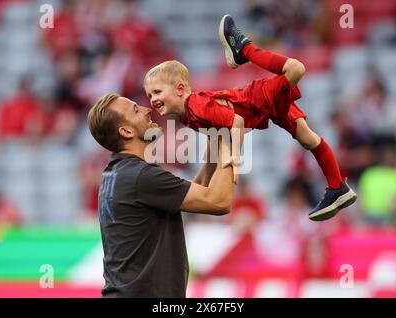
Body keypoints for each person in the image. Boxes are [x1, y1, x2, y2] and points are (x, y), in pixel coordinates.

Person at [143, 14, 357, 221]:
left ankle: (244, 49)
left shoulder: (195, 106)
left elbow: (236, 121)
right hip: (264, 109)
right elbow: (214, 144)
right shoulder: (187, 116)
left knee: (295, 69)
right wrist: (196, 188)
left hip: (256, 99)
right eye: (150, 95)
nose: (152, 99)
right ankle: (338, 187)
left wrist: (234, 155)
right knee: (308, 138)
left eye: (157, 92)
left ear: (180, 89)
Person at [87, 92, 236, 298]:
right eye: (136, 110)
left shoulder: (119, 173)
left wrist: (215, 139)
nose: (147, 109)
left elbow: (195, 192)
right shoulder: (141, 177)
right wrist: (231, 139)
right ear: (126, 131)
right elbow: (218, 201)